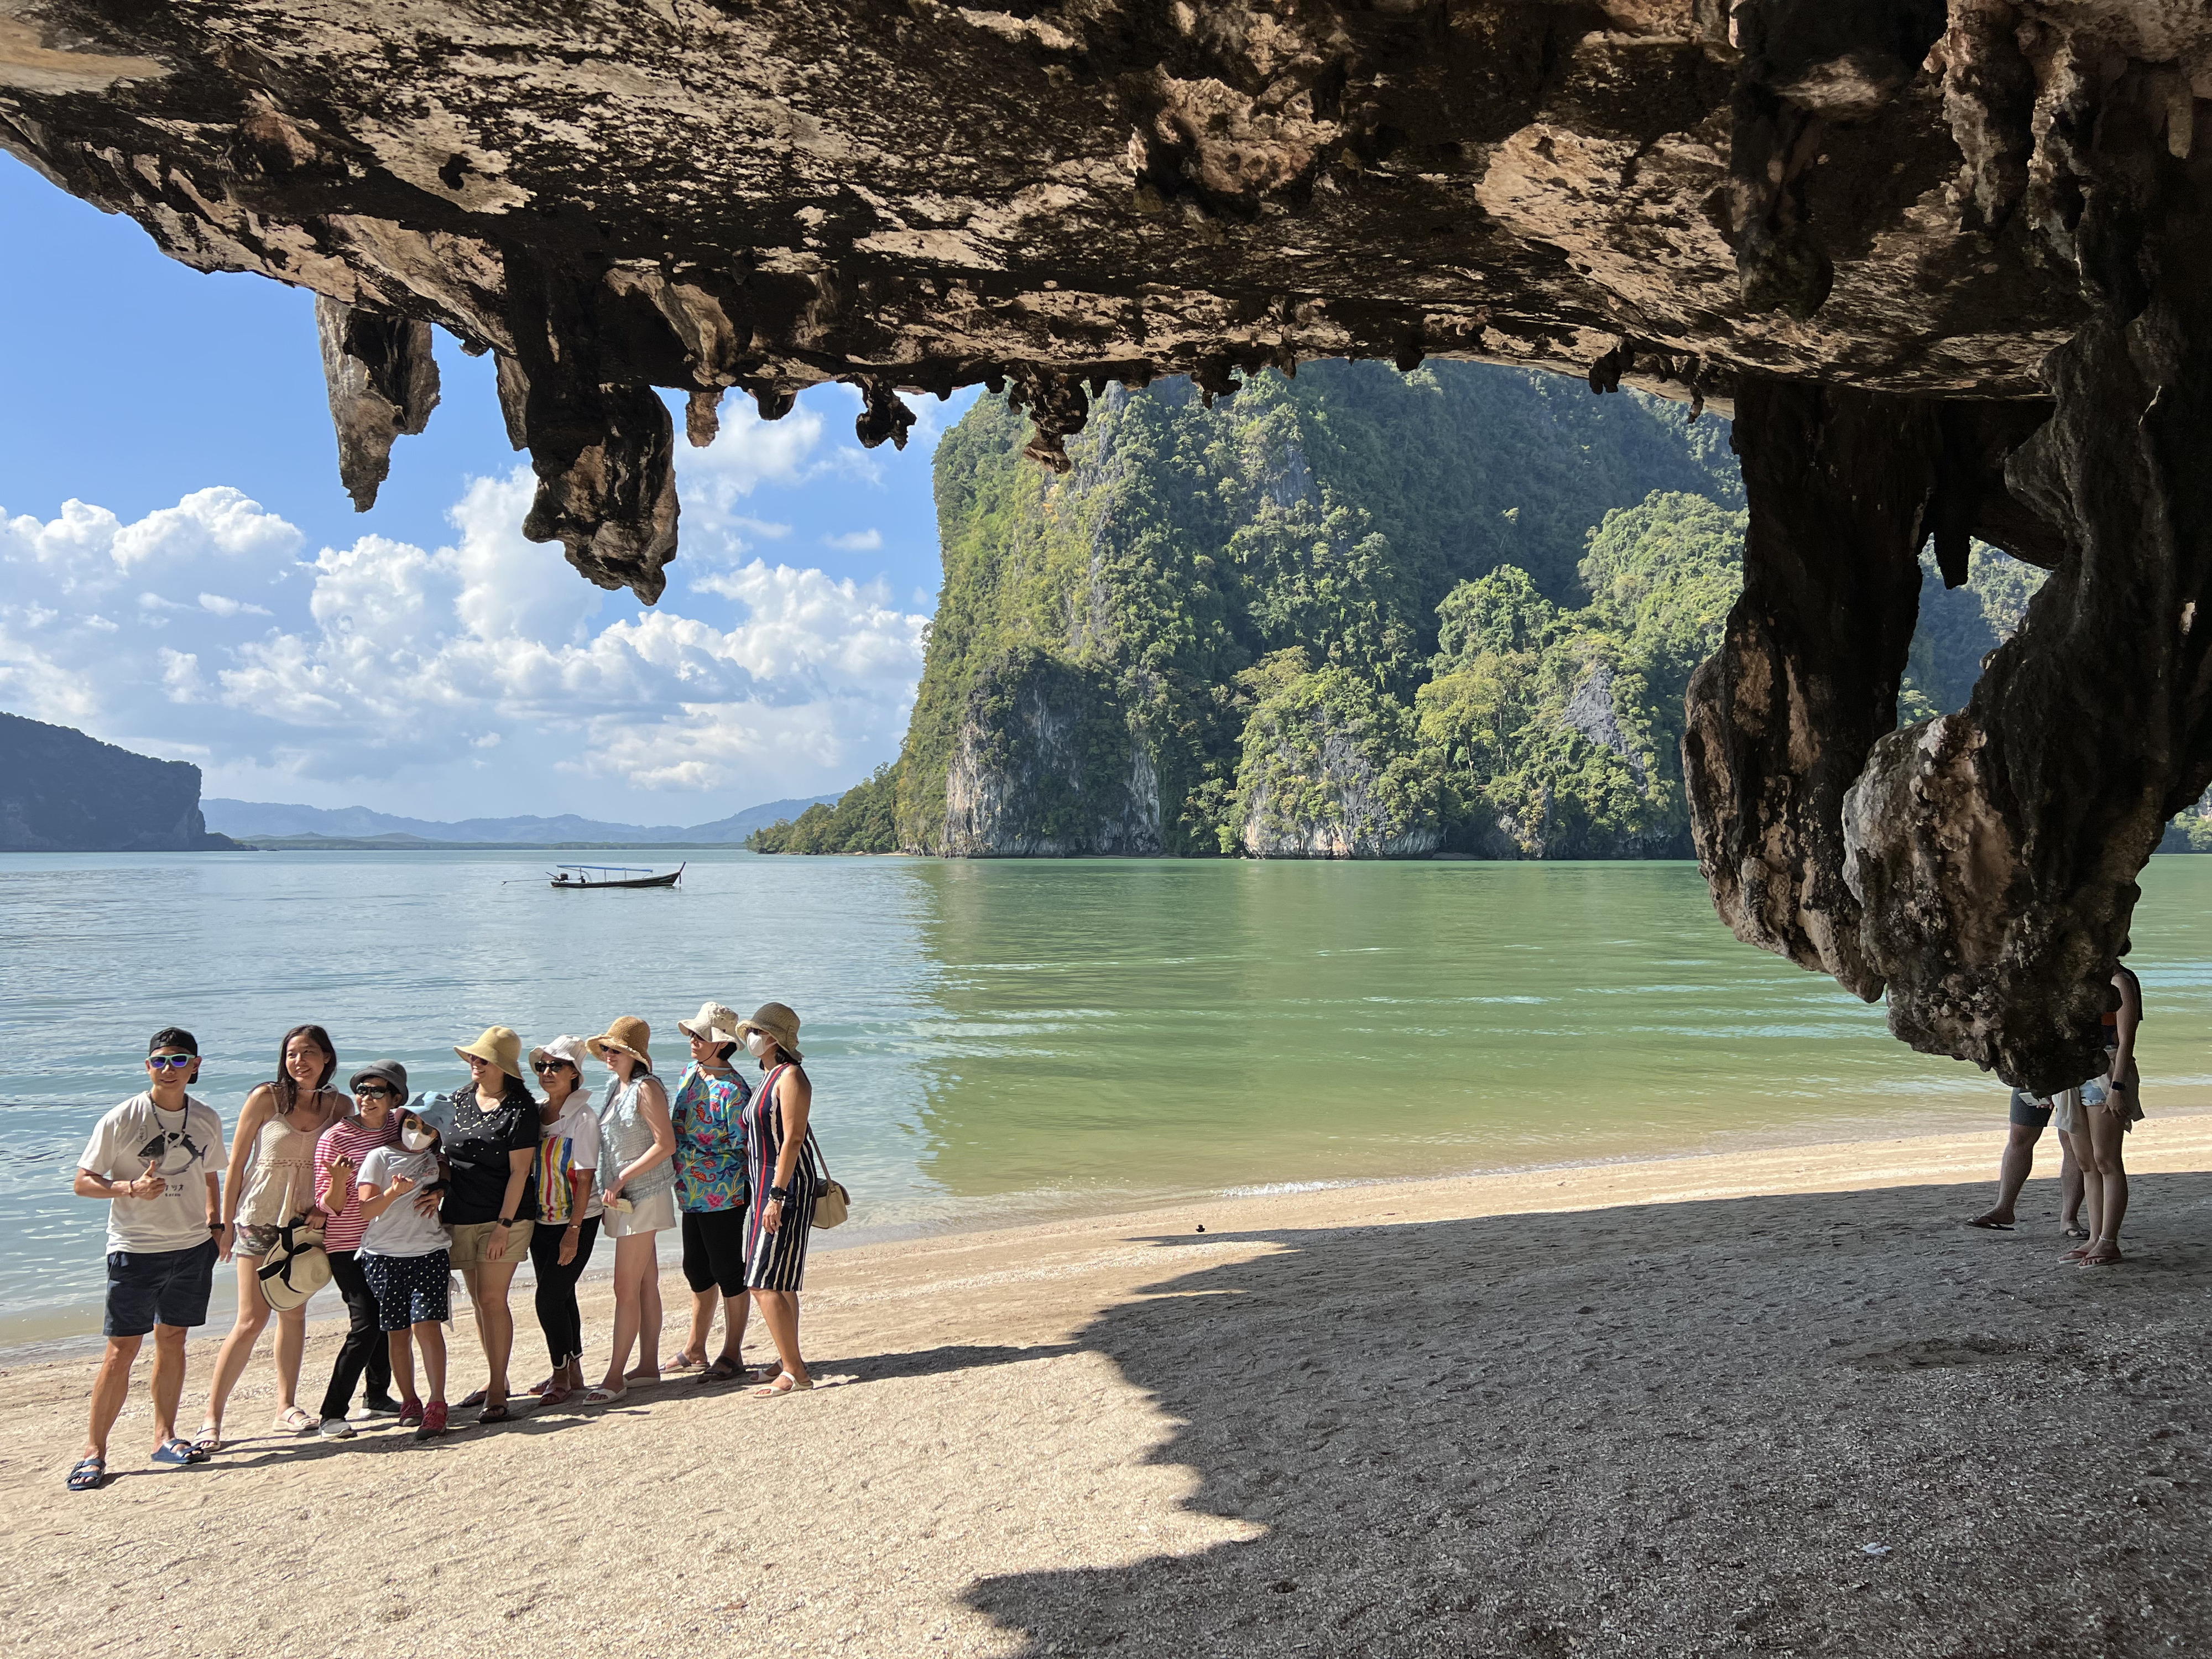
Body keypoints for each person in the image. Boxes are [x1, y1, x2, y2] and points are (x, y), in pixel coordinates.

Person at [68, 1028, 227, 1490]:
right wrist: (128, 1188)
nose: (169, 1068)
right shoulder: (122, 1118)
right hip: (135, 1249)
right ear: (147, 1066)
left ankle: (165, 1438)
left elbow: (210, 1174)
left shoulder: (206, 1118)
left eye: (180, 1060)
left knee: (173, 1341)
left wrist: (217, 1227)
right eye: (160, 1060)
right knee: (121, 1352)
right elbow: (83, 1181)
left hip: (191, 1246)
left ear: (195, 1066)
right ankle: (94, 1452)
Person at [201, 1023, 348, 1446]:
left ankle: (285, 1406)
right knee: (250, 1320)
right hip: (258, 1217)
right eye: (292, 1054)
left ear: (326, 1059)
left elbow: (356, 1154)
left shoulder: (338, 1105)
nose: (299, 1062)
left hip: (304, 1224)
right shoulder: (267, 1098)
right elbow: (237, 1165)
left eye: (308, 1053)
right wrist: (224, 1225)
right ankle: (212, 1418)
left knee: (294, 1314)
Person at [443, 1026, 541, 1422]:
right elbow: (443, 1155)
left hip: (506, 1218)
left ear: (502, 1066)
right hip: (460, 1215)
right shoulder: (459, 1099)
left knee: (491, 1300)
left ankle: (499, 1388)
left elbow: (520, 1173)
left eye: (482, 1059)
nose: (474, 1064)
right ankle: (493, 1377)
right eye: (472, 1058)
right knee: (479, 1304)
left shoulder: (521, 1108)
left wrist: (503, 1225)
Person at [307, 1060, 408, 1438]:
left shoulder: (401, 1126)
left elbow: (434, 1149)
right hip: (347, 1244)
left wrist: (438, 1187)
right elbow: (328, 1206)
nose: (366, 1098)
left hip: (391, 1240)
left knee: (387, 1318)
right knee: (365, 1324)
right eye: (362, 1090)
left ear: (394, 1098)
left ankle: (378, 1396)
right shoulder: (334, 1138)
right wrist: (337, 1179)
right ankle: (332, 1413)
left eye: (377, 1091)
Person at [583, 1016, 677, 1405]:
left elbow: (666, 1144)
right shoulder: (615, 1088)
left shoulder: (646, 1087)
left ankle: (614, 1375)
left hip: (643, 1194)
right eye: (605, 1048)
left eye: (615, 1050)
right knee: (641, 1282)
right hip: (623, 1197)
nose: (608, 1055)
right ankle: (647, 1366)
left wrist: (621, 1177)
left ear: (633, 1055)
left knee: (624, 1286)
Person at [670, 1001, 758, 1383]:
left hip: (724, 1191)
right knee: (695, 1268)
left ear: (721, 1044)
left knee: (727, 1269)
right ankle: (695, 1347)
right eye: (691, 1034)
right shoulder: (691, 1072)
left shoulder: (735, 1090)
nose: (692, 1040)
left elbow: (744, 1146)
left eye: (699, 1035)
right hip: (690, 1189)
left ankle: (733, 1351)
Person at [358, 1098, 455, 1439]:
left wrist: (442, 1187)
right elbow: (367, 1210)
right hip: (384, 1255)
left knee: (427, 1327)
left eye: (429, 1129)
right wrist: (393, 1192)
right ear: (403, 1120)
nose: (419, 1133)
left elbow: (445, 1169)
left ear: (438, 1135)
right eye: (414, 1123)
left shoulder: (434, 1160)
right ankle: (409, 1401)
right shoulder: (380, 1157)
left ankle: (437, 1403)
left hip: (429, 1252)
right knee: (397, 1331)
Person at [735, 1002, 818, 1396]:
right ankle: (788, 1357)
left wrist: (776, 1195)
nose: (751, 1037)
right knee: (780, 1282)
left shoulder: (791, 1077)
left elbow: (793, 1139)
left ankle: (795, 1370)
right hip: (764, 1188)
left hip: (783, 1189)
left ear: (773, 1039)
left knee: (762, 1281)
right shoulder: (769, 1076)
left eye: (757, 1031)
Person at [528, 1035, 602, 1407]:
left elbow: (586, 1178)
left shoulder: (583, 1117)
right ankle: (572, 1371)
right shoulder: (537, 1112)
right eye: (542, 1066)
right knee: (562, 1295)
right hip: (540, 1221)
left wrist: (573, 1232)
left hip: (578, 1220)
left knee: (549, 1297)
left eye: (557, 1066)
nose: (547, 1072)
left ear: (575, 1073)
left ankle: (559, 1373)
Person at [2069, 950, 2145, 1267]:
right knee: (2086, 1162)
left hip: (2108, 1071)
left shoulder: (2119, 981)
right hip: (2078, 1071)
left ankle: (2108, 1241)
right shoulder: (2085, 981)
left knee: (2106, 1160)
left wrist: (2118, 1086)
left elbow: (2126, 1040)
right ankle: (2094, 1238)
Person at [1965, 1086, 2084, 1235]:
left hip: (2073, 1073)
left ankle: (2069, 1218)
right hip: (2031, 1072)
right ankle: (2003, 1208)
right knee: (2019, 1137)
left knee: (2072, 1141)